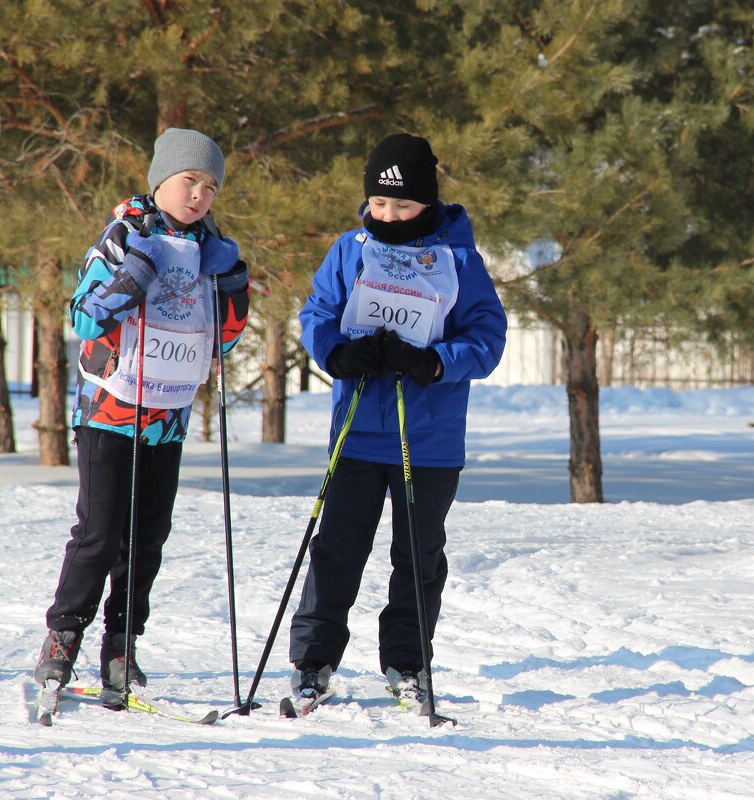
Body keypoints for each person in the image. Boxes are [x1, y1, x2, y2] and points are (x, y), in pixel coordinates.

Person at [289, 132, 506, 712]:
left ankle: (408, 663)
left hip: (427, 440)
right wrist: (338, 353)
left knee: (417, 555)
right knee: (337, 548)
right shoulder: (350, 249)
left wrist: (434, 361)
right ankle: (313, 662)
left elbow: (487, 339)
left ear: (427, 203)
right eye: (380, 205)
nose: (388, 215)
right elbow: (317, 313)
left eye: (403, 206)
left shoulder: (460, 260)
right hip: (357, 431)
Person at [34, 128, 251, 693]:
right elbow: (83, 318)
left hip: (168, 413)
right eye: (189, 181)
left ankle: (121, 646)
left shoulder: (211, 246)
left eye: (209, 186)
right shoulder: (123, 235)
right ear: (161, 181)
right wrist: (134, 277)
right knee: (100, 532)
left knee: (147, 537)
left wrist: (234, 289)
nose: (199, 195)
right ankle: (63, 638)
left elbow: (220, 343)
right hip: (110, 408)